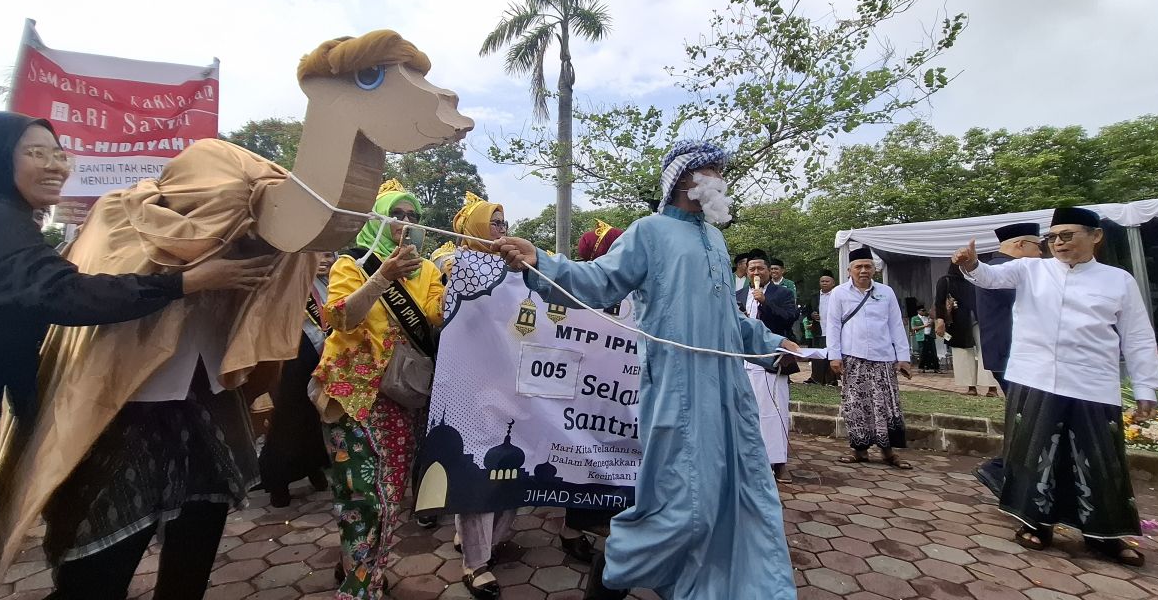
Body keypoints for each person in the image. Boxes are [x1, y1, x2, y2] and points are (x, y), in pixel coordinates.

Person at [0, 111, 274, 599]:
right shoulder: (110, 219)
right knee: (99, 565)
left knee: (196, 537)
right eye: (35, 153)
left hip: (200, 415)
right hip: (115, 415)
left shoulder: (243, 242)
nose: (54, 165)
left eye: (59, 154)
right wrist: (182, 282)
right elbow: (67, 295)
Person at [497, 139, 799, 600]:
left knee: (729, 490)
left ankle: (709, 581)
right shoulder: (649, 232)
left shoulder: (716, 240)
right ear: (684, 178)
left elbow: (729, 319)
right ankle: (615, 568)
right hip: (678, 391)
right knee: (683, 501)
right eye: (713, 170)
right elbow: (599, 281)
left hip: (726, 393)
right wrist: (542, 262)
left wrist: (774, 343)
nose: (721, 179)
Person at [953, 206, 1158, 566]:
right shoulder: (1031, 269)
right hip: (1034, 378)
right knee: (1034, 454)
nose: (1059, 243)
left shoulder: (1118, 281)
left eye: (1067, 235)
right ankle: (1035, 523)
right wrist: (971, 264)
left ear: (1095, 236)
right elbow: (989, 277)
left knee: (1099, 460)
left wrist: (1146, 386)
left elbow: (1138, 337)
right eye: (1052, 237)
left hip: (1092, 383)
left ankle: (1105, 535)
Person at [311, 180, 444, 600]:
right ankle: (360, 587)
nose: (405, 222)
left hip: (402, 397)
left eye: (413, 216)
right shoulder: (352, 263)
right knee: (362, 498)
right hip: (352, 397)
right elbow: (340, 319)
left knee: (387, 498)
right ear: (377, 221)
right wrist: (384, 275)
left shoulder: (427, 271)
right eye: (395, 215)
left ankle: (359, 566)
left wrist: (470, 281)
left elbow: (437, 316)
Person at [449, 192, 517, 599]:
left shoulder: (515, 267)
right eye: (494, 223)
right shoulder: (456, 264)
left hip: (511, 382)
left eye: (504, 223)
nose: (501, 230)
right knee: (477, 466)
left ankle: (481, 540)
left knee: (512, 462)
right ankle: (475, 564)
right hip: (470, 384)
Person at [553, 220, 631, 562]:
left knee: (617, 457)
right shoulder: (579, 288)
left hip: (621, 396)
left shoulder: (633, 290)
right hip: (586, 395)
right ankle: (573, 528)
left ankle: (606, 522)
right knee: (584, 459)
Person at [257, 252, 335, 507]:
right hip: (291, 357)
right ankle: (277, 481)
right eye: (317, 255)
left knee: (314, 418)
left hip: (324, 355)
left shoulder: (335, 280)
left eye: (329, 254)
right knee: (289, 418)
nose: (325, 260)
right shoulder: (287, 279)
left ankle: (314, 467)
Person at [826, 247, 913, 470]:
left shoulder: (886, 292)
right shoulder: (839, 293)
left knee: (886, 405)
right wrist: (834, 356)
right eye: (859, 267)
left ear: (874, 269)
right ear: (849, 270)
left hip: (883, 358)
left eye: (868, 266)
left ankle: (889, 452)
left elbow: (896, 325)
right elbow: (832, 325)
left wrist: (903, 357)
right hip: (852, 357)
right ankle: (860, 451)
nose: (863, 270)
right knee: (856, 404)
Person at [972, 222, 1043, 495]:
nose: (1041, 253)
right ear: (1021, 245)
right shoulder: (1003, 270)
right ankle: (1000, 470)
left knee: (1029, 416)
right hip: (1013, 355)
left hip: (1010, 354)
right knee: (1030, 417)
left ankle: (1011, 474)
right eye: (1038, 246)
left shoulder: (998, 268)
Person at [737, 250, 799, 482]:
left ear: (769, 271)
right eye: (751, 269)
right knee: (743, 412)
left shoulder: (782, 293)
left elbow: (789, 318)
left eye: (760, 268)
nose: (756, 273)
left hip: (771, 360)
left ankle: (778, 462)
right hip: (742, 361)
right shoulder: (738, 295)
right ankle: (748, 462)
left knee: (773, 412)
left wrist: (766, 302)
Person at [936, 262, 998, 396]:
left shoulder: (977, 277)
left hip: (981, 318)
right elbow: (939, 302)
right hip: (958, 320)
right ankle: (971, 387)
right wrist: (940, 320)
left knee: (986, 351)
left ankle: (991, 387)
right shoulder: (946, 280)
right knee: (963, 353)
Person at [806, 270, 838, 385]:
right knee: (818, 356)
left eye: (827, 281)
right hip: (818, 330)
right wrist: (812, 315)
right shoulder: (814, 297)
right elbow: (807, 311)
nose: (824, 283)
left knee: (831, 355)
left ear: (833, 283)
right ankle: (816, 378)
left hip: (833, 331)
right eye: (822, 281)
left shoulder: (837, 295)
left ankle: (831, 380)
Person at [914, 306, 940, 373]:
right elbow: (914, 328)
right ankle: (921, 367)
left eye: (925, 310)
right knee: (923, 352)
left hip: (930, 336)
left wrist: (932, 320)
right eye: (922, 310)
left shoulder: (929, 318)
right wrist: (924, 326)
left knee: (933, 352)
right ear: (918, 311)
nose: (924, 312)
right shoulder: (915, 318)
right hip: (922, 337)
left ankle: (936, 368)